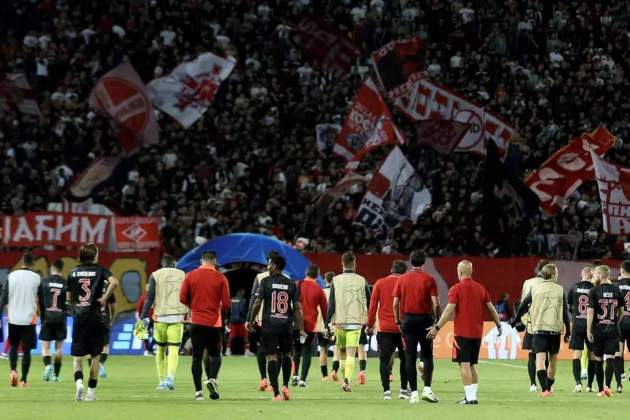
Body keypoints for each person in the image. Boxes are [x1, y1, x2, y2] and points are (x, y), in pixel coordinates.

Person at [427, 260, 502, 405]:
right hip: (477, 333)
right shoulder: (481, 288)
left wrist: (437, 328)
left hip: (462, 333)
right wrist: (498, 325)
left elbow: (449, 310)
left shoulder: (456, 289)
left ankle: (470, 397)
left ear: (459, 272)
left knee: (464, 364)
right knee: (472, 364)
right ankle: (471, 396)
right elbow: (491, 308)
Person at [248, 254, 305, 401]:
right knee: (287, 355)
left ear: (274, 266)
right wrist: (301, 328)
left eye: (268, 264)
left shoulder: (266, 281)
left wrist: (251, 319)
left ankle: (276, 394)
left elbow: (257, 303)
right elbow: (297, 308)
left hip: (269, 326)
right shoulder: (291, 283)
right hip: (286, 326)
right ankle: (286, 386)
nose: (267, 267)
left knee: (272, 357)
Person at [68, 244, 119, 401]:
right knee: (95, 356)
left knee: (77, 357)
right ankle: (91, 393)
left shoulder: (73, 272)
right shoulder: (100, 270)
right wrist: (104, 298)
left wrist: (75, 307)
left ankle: (78, 384)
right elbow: (114, 282)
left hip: (79, 318)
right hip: (96, 318)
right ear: (95, 256)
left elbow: (68, 297)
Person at [179, 251, 230, 401]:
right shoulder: (221, 278)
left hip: (196, 321)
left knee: (197, 357)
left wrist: (193, 306)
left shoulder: (190, 275)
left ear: (202, 260)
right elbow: (226, 304)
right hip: (214, 323)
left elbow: (182, 297)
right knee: (215, 355)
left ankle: (198, 392)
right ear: (214, 261)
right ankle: (212, 379)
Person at [514, 264, 570, 398]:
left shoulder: (535, 288)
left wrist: (516, 319)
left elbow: (522, 305)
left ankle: (544, 389)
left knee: (539, 360)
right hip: (555, 331)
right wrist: (568, 330)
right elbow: (564, 312)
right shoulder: (560, 289)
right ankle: (549, 387)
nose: (557, 274)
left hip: (539, 329)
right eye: (556, 272)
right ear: (552, 274)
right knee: (552, 361)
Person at [393, 250, 439, 403]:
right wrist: (435, 322)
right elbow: (435, 303)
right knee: (427, 355)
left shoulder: (402, 279)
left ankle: (413, 393)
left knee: (410, 357)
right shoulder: (430, 279)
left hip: (408, 320)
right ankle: (427, 389)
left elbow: (395, 303)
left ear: (410, 261)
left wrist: (398, 321)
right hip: (425, 320)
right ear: (424, 262)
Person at [140, 255, 187, 390]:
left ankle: (161, 382)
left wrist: (143, 317)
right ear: (174, 264)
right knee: (173, 349)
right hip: (177, 317)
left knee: (160, 350)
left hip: (160, 317)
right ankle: (170, 378)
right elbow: (187, 295)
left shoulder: (155, 275)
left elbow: (149, 298)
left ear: (162, 264)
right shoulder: (182, 275)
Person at [326, 252, 370, 393]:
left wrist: (327, 323)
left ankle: (344, 377)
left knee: (343, 352)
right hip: (356, 322)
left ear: (342, 263)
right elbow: (370, 301)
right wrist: (370, 321)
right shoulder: (362, 280)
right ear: (354, 263)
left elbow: (331, 304)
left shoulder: (335, 280)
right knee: (351, 353)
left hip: (339, 322)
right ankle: (346, 380)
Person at [367, 260, 409, 400]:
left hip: (385, 329)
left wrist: (369, 325)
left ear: (392, 269)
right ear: (404, 272)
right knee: (405, 359)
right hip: (403, 328)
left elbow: (373, 306)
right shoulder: (406, 283)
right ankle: (403, 390)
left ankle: (386, 391)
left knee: (384, 360)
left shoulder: (380, 283)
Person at [1, 253, 41, 387]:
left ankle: (13, 371)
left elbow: (3, 298)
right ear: (33, 264)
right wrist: (45, 317)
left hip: (14, 318)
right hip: (29, 319)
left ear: (21, 262)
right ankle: (23, 380)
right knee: (27, 350)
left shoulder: (11, 276)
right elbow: (43, 299)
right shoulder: (36, 278)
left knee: (13, 346)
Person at [587, 264, 624, 397]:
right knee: (610, 358)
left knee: (598, 359)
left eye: (596, 273)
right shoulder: (616, 290)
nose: (594, 275)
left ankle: (601, 389)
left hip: (598, 329)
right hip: (613, 329)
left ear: (602, 275)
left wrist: (588, 330)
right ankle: (608, 387)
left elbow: (590, 313)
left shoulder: (594, 291)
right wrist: (615, 322)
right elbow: (621, 311)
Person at [246, 251, 280, 391]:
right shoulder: (287, 278)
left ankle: (263, 379)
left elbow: (254, 299)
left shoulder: (260, 277)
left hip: (262, 319)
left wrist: (249, 318)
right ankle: (273, 383)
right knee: (276, 352)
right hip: (279, 320)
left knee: (262, 348)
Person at [292, 264, 327, 387]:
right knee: (307, 351)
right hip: (310, 325)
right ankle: (302, 379)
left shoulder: (296, 284)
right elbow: (324, 310)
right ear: (317, 275)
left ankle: (294, 376)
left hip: (296, 323)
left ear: (306, 273)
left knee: (296, 350)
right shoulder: (318, 289)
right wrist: (327, 326)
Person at [518, 259, 549, 392]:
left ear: (537, 269)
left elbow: (523, 303)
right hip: (546, 322)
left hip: (532, 321)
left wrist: (524, 320)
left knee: (532, 354)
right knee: (544, 353)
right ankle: (545, 384)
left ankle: (532, 384)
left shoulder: (528, 283)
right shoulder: (551, 284)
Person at [38, 259, 68, 382]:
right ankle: (56, 375)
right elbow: (68, 302)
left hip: (47, 318)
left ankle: (47, 365)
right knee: (59, 348)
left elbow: (38, 300)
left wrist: (41, 316)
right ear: (62, 269)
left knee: (45, 347)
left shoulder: (44, 281)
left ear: (52, 268)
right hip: (61, 318)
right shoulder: (66, 284)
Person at [566, 266, 595, 392]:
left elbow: (570, 307)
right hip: (591, 326)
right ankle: (589, 385)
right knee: (592, 355)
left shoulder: (573, 287)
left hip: (577, 324)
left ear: (581, 274)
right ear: (591, 275)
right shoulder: (595, 289)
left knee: (576, 354)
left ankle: (578, 384)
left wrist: (577, 315)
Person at [316, 271, 334, 381]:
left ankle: (325, 376)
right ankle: (335, 372)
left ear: (325, 280)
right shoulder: (336, 292)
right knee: (337, 349)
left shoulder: (320, 292)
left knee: (323, 349)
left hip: (321, 324)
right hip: (334, 324)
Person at [616, 261, 630, 392]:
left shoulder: (616, 285)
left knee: (618, 352)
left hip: (620, 322)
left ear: (621, 270)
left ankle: (619, 382)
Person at [226, 288, 250, 356]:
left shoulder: (231, 300)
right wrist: (246, 319)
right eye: (242, 292)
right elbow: (242, 311)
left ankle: (227, 351)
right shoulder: (243, 300)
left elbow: (228, 310)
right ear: (239, 292)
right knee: (245, 337)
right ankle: (247, 351)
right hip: (241, 321)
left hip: (232, 321)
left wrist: (228, 319)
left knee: (231, 337)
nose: (243, 294)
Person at [136, 284, 154, 356]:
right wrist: (138, 320)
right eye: (148, 287)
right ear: (146, 288)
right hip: (145, 319)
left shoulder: (155, 297)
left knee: (156, 334)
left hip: (154, 319)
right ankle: (147, 350)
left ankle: (151, 348)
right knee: (144, 335)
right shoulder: (143, 297)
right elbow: (137, 310)